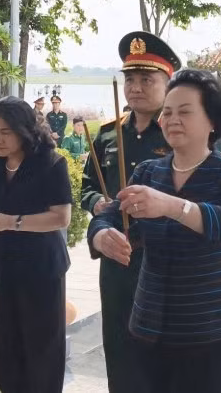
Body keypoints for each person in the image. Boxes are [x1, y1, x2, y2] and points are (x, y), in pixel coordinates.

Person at [88, 69, 221, 393]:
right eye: (167, 112)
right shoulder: (149, 172)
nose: (172, 119)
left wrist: (171, 206)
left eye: (185, 111)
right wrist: (101, 236)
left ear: (212, 120)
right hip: (148, 322)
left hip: (209, 325)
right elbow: (109, 215)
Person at [80, 31, 179, 393]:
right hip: (117, 258)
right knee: (119, 347)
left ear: (168, 83)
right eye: (130, 79)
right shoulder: (108, 135)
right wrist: (97, 205)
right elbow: (87, 187)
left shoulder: (177, 134)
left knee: (161, 352)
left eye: (147, 79)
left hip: (162, 258)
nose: (136, 87)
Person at [0, 96, 73, 393]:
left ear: (24, 131)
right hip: (1, 267)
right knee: (3, 346)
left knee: (42, 348)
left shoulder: (50, 163)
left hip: (41, 269)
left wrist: (9, 221)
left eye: (5, 132)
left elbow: (60, 217)